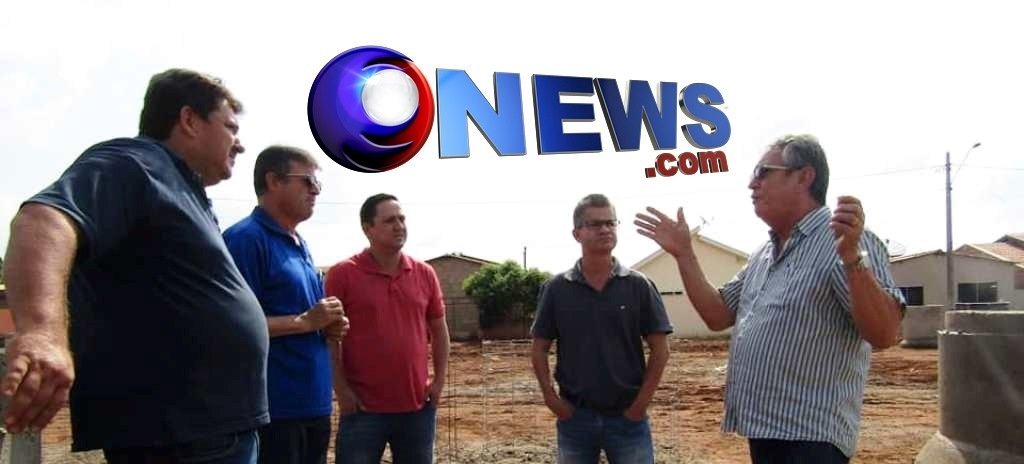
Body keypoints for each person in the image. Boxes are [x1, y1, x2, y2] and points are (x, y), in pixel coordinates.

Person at [1, 69, 269, 463]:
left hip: (214, 429)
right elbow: (43, 220)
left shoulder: (183, 188)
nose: (239, 144)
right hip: (178, 437)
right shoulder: (133, 162)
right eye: (230, 127)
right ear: (189, 120)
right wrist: (42, 334)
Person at [634, 134, 905, 463]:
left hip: (812, 440)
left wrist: (851, 259)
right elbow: (718, 315)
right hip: (766, 433)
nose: (752, 184)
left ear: (804, 177)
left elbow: (885, 333)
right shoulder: (764, 254)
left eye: (763, 172)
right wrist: (684, 254)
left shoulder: (845, 241)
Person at [222, 145, 348, 464]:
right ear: (274, 181)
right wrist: (306, 321)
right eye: (308, 181)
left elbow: (309, 318)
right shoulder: (245, 240)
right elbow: (231, 327)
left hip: (313, 405)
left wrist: (328, 325)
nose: (316, 190)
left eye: (317, 183)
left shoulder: (299, 243)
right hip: (273, 412)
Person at [530, 193, 673, 464]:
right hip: (575, 419)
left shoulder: (639, 286)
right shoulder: (557, 289)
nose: (605, 229)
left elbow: (661, 350)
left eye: (610, 223)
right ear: (577, 234)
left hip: (628, 420)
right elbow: (539, 349)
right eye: (595, 224)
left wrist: (640, 405)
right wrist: (552, 400)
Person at [325, 193, 450, 464]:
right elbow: (330, 338)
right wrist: (341, 390)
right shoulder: (343, 274)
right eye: (390, 220)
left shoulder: (424, 273)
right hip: (362, 409)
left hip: (417, 408)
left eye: (402, 219)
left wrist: (439, 381)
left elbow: (440, 332)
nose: (399, 226)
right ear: (367, 228)